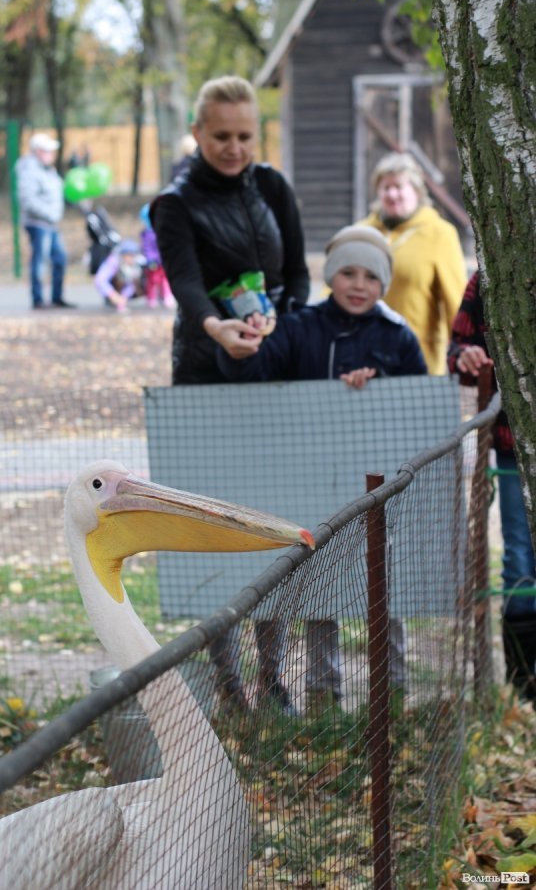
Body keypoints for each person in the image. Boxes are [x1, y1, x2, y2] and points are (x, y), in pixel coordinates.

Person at [150, 75, 311, 715]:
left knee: (273, 517)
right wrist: (219, 328)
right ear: (197, 132)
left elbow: (295, 273)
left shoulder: (272, 185)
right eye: (221, 135)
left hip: (271, 362)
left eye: (245, 135)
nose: (234, 147)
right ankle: (228, 682)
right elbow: (186, 287)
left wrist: (281, 322)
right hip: (206, 368)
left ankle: (274, 678)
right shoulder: (175, 202)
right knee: (212, 521)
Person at [218, 225, 427, 703]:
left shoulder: (398, 338)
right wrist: (240, 344)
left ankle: (391, 686)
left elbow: (417, 402)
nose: (358, 284)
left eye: (371, 276)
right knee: (319, 586)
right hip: (307, 478)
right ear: (331, 276)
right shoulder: (297, 327)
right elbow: (253, 372)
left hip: (373, 484)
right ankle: (321, 689)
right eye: (347, 273)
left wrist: (381, 383)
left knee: (383, 583)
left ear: (384, 284)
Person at [448, 272, 536, 703]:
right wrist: (466, 356)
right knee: (520, 558)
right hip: (514, 445)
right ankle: (522, 685)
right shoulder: (490, 277)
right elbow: (457, 347)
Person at [359, 152, 466, 375]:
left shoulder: (439, 233)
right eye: (385, 187)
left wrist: (462, 351)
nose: (392, 194)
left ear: (416, 191)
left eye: (399, 186)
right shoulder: (361, 232)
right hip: (363, 360)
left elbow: (455, 302)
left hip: (417, 359)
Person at [15, 132, 74, 310]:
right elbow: (28, 201)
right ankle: (38, 299)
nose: (51, 154)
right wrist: (50, 214)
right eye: (48, 151)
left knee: (60, 259)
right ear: (38, 151)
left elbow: (58, 192)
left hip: (51, 224)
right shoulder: (29, 170)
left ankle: (57, 297)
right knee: (40, 261)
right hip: (39, 224)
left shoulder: (48, 169)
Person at [139, 204, 175, 309]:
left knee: (164, 279)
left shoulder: (161, 230)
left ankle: (166, 296)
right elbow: (147, 248)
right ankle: (152, 298)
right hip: (154, 262)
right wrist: (151, 260)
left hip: (163, 260)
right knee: (153, 280)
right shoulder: (148, 233)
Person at [94, 239, 143, 313]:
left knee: (136, 281)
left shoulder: (135, 265)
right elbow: (100, 280)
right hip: (111, 287)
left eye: (133, 255)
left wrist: (124, 298)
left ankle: (121, 302)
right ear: (123, 254)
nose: (131, 258)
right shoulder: (113, 262)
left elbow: (131, 285)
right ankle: (111, 300)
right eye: (129, 255)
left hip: (122, 289)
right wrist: (113, 295)